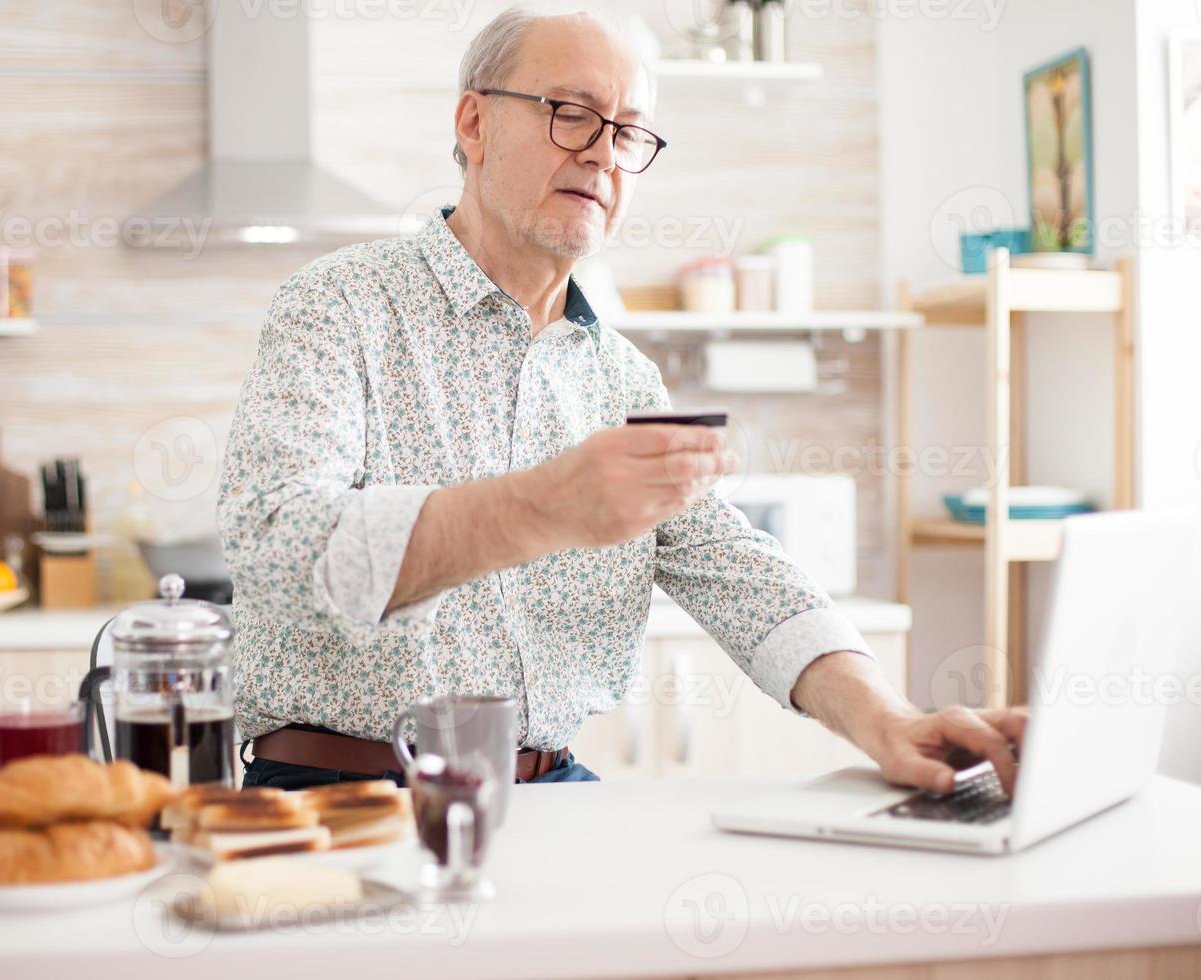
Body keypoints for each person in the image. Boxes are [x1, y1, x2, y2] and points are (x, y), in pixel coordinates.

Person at [218, 6, 1025, 792]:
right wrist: (537, 508)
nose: (604, 154)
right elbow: (274, 551)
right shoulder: (340, 304)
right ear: (474, 124)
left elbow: (733, 567)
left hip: (551, 786)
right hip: (335, 794)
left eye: (629, 131)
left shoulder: (625, 376)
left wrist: (888, 720)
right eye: (572, 114)